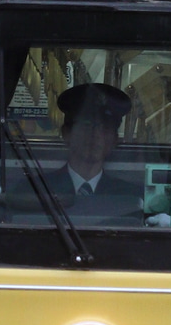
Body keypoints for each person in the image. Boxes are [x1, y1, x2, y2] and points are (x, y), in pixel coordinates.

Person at [52, 82, 141, 221]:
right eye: (87, 125)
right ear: (66, 133)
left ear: (115, 140)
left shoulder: (132, 198)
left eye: (104, 128)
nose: (95, 135)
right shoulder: (35, 191)